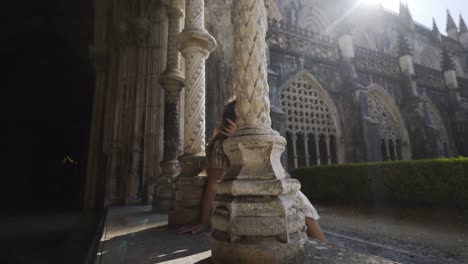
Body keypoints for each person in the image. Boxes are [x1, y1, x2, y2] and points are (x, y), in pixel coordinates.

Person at [177, 100, 326, 242]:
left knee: (301, 204)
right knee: (298, 206)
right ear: (232, 122)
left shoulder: (253, 140)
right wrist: (203, 223)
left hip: (263, 189)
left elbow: (268, 168)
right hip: (245, 196)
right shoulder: (220, 146)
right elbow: (212, 185)